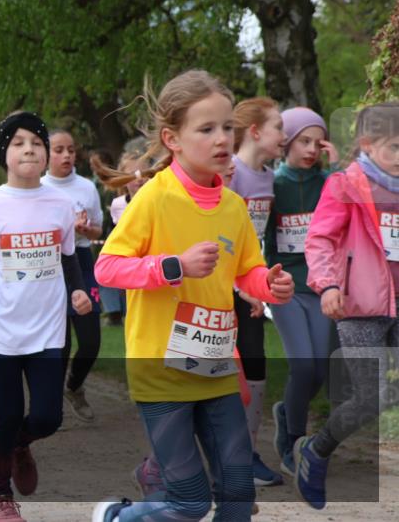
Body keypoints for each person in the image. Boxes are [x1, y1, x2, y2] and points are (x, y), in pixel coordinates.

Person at [90, 70, 294, 522]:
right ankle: (117, 518)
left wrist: (269, 285)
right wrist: (172, 266)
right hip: (161, 373)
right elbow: (106, 268)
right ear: (173, 139)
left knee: (239, 497)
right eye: (206, 129)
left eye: (227, 128)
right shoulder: (153, 200)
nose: (222, 139)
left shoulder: (234, 206)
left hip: (217, 367)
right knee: (190, 502)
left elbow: (246, 271)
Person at [0, 112, 92, 522]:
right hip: (2, 330)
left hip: (50, 328)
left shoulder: (61, 203)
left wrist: (79, 289)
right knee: (8, 413)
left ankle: (16, 445)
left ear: (46, 152)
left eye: (36, 141)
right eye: (18, 142)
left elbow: (69, 258)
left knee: (48, 417)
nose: (29, 148)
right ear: (5, 154)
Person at [294, 102, 399, 510]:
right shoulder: (345, 184)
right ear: (367, 145)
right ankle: (316, 451)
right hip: (358, 305)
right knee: (371, 397)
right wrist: (328, 285)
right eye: (393, 147)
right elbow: (319, 239)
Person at [265, 107, 340, 475]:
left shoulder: (329, 182)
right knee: (303, 365)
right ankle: (293, 440)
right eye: (303, 141)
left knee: (322, 370)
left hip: (323, 287)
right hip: (285, 287)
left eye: (317, 142)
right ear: (286, 142)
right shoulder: (272, 184)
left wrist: (338, 165)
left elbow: (356, 202)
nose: (311, 149)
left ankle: (285, 411)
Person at [228, 97, 289, 486]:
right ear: (255, 131)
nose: (285, 135)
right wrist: (239, 286)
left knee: (256, 369)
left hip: (253, 285)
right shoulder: (230, 172)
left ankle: (246, 454)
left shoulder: (268, 177)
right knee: (214, 372)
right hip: (219, 286)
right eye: (278, 127)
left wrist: (258, 285)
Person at [42, 129, 104, 422]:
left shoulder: (86, 188)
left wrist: (85, 230)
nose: (66, 155)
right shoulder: (37, 187)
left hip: (80, 259)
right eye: (58, 150)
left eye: (70, 149)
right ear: (46, 153)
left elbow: (98, 230)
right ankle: (52, 405)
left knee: (91, 341)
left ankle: (74, 386)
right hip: (50, 264)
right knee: (61, 342)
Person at [97, 148, 151, 325]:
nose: (139, 178)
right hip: (129, 263)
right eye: (132, 174)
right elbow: (115, 234)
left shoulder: (157, 200)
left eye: (143, 172)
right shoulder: (118, 204)